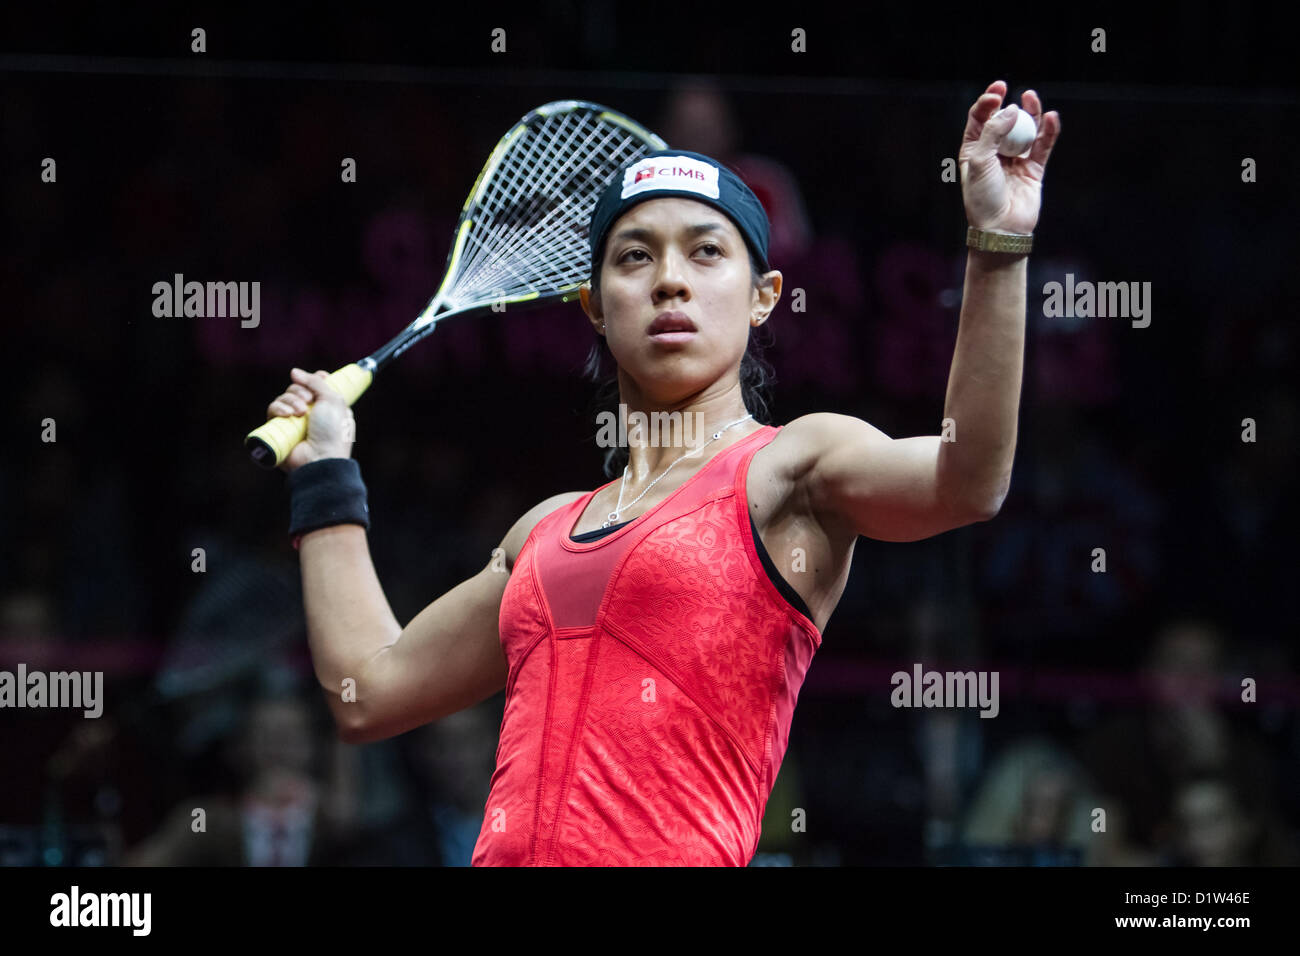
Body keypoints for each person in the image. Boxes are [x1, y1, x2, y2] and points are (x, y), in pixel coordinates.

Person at [261, 80, 1060, 865]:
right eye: (635, 256)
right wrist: (326, 472)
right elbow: (367, 692)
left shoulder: (793, 467)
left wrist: (997, 247)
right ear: (595, 308)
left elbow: (967, 480)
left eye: (707, 252)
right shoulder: (542, 533)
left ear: (763, 298)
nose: (669, 278)